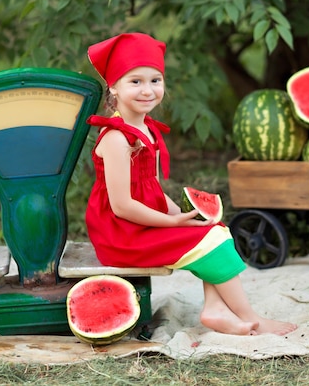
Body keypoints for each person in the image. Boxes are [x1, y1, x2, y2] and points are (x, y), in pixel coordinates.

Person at [85, 32, 297, 336]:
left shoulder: (148, 130)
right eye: (136, 82)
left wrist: (183, 216)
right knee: (210, 240)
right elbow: (122, 206)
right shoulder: (117, 139)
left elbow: (153, 188)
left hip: (145, 222)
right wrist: (172, 223)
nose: (148, 90)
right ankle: (252, 318)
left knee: (215, 230)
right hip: (122, 235)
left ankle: (216, 309)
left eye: (155, 80)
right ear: (114, 88)